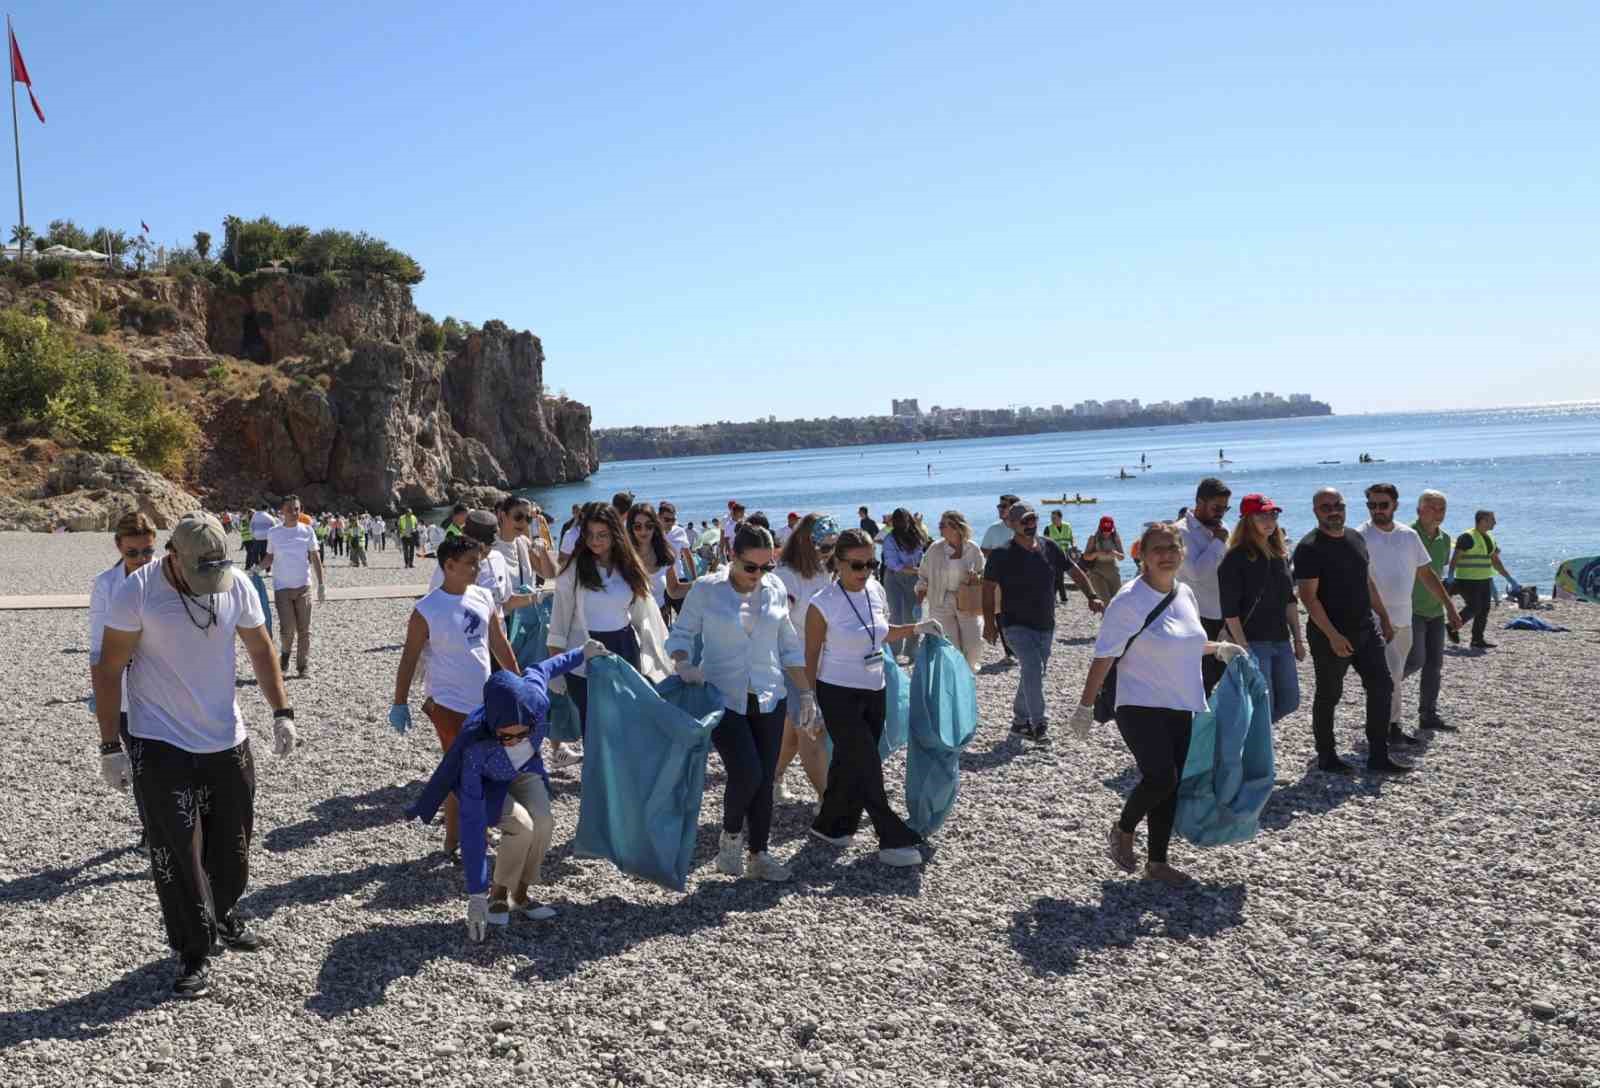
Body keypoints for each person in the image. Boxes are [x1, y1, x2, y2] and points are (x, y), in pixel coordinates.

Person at [92, 512, 295, 998]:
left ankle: (222, 912)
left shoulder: (236, 583)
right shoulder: (136, 592)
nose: (210, 583)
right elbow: (108, 667)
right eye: (198, 572)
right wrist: (109, 746)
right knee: (175, 852)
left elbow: (261, 648)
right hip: (158, 738)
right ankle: (192, 951)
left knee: (234, 845)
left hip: (226, 734)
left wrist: (282, 711)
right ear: (173, 557)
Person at [1069, 521, 1244, 885]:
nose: (1166, 555)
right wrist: (1085, 707)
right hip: (1137, 703)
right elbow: (1104, 657)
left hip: (1180, 700)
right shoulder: (1128, 601)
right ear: (1143, 557)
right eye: (1157, 550)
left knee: (1172, 783)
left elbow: (1186, 642)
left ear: (1182, 552)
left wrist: (1220, 648)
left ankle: (1158, 863)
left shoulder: (1185, 594)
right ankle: (1123, 828)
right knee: (1160, 776)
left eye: (1172, 548)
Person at [408, 648, 605, 938]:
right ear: (492, 726)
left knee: (544, 822)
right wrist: (475, 893)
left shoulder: (534, 698)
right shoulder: (474, 747)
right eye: (505, 736)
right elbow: (473, 824)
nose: (514, 740)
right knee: (520, 827)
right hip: (487, 782)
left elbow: (547, 665)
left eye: (521, 734)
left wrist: (584, 651)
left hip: (525, 770)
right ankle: (497, 896)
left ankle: (521, 895)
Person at [667, 523, 816, 881]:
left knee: (764, 779)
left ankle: (759, 855)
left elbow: (789, 644)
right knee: (746, 772)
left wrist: (807, 692)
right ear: (733, 557)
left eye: (767, 567)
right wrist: (684, 662)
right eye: (752, 567)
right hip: (722, 696)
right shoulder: (706, 590)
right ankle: (731, 838)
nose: (759, 575)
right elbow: (681, 633)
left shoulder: (776, 587)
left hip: (769, 694)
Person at [805, 529, 943, 867]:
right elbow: (809, 655)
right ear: (837, 563)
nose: (865, 571)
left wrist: (916, 628)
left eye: (871, 563)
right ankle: (891, 836)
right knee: (866, 762)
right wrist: (809, 700)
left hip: (875, 690)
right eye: (856, 565)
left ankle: (832, 826)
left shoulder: (875, 590)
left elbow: (881, 633)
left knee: (851, 761)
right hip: (836, 692)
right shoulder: (822, 603)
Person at [391, 535, 520, 855]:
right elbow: (409, 657)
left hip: (483, 701)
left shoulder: (482, 597)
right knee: (468, 770)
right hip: (447, 704)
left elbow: (497, 642)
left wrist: (518, 683)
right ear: (448, 566)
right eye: (470, 563)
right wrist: (400, 701)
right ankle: (471, 837)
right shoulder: (427, 609)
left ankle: (453, 840)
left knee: (462, 770)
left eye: (478, 561)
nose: (478, 568)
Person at [1293, 488, 1411, 775]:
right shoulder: (1309, 548)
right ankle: (1327, 755)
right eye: (1325, 507)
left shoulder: (1355, 538)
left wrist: (1382, 616)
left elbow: (1367, 582)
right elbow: (1309, 598)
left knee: (1382, 686)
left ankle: (1378, 754)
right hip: (1329, 634)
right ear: (1315, 511)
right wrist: (1333, 636)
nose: (1333, 511)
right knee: (1329, 694)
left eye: (1338, 505)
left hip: (1366, 629)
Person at [546, 503, 671, 735]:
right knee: (595, 730)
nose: (595, 541)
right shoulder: (572, 571)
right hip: (585, 656)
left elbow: (644, 617)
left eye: (602, 534)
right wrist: (556, 669)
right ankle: (597, 772)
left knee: (627, 724)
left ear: (615, 534)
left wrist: (662, 655)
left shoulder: (629, 567)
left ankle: (627, 772)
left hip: (624, 652)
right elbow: (558, 625)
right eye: (590, 534)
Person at [984, 502, 1102, 740]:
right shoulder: (1001, 554)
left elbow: (1074, 571)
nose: (1030, 524)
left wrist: (1092, 595)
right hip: (1013, 624)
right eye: (1024, 521)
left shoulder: (1050, 547)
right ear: (1011, 524)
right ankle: (1039, 724)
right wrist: (989, 624)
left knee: (1034, 671)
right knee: (1033, 667)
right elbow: (987, 590)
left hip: (1045, 623)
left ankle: (1019, 720)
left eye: (1033, 519)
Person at [1356, 484, 1461, 746]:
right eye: (1372, 505)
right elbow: (1359, 581)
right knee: (1391, 676)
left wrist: (1449, 606)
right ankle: (1387, 730)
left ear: (1395, 505)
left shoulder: (1408, 536)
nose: (1378, 510)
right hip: (1375, 621)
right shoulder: (1359, 536)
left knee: (1397, 674)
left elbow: (1426, 574)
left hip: (1405, 618)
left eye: (1383, 504)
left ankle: (1391, 725)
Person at [88, 511, 159, 849]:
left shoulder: (168, 576)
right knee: (142, 766)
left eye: (147, 551)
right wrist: (107, 736)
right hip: (128, 692)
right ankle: (153, 831)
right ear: (118, 547)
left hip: (168, 687)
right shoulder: (106, 584)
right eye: (133, 553)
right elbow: (99, 651)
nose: (142, 560)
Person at [1218, 494, 1304, 723]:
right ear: (1247, 520)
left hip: (1281, 639)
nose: (1269, 520)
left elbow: (1289, 600)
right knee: (1263, 705)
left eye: (1272, 515)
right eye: (1261, 515)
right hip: (1253, 642)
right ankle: (1254, 750)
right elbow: (1230, 610)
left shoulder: (1279, 555)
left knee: (1289, 701)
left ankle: (1254, 740)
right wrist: (1244, 647)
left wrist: (1298, 639)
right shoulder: (1235, 559)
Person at [774, 514, 838, 805]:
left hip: (823, 660)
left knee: (792, 733)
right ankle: (829, 802)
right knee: (812, 729)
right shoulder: (786, 576)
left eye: (833, 547)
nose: (830, 553)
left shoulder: (824, 570)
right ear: (805, 542)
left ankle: (772, 779)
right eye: (824, 547)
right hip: (794, 664)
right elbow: (778, 627)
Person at [1404, 490, 1458, 732]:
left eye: (1442, 509)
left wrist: (1447, 607)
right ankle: (1382, 686)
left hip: (1435, 611)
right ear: (1419, 510)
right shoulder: (1406, 536)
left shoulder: (1445, 539)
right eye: (1433, 508)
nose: (1438, 513)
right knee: (1416, 659)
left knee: (1434, 665)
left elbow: (1439, 570)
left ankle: (1428, 715)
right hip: (1410, 609)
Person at [262, 495, 326, 679]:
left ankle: (302, 666)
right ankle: (285, 654)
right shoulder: (274, 533)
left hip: (303, 586)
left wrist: (321, 584)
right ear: (282, 511)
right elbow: (270, 557)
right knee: (287, 629)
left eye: (297, 509)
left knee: (304, 630)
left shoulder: (307, 531)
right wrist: (257, 569)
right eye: (289, 509)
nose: (294, 513)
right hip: (282, 587)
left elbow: (315, 557)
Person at [1178, 478, 1232, 695]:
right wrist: (1218, 542)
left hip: (1224, 613)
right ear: (1199, 501)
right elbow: (1196, 573)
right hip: (1197, 615)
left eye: (1225, 508)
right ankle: (1194, 724)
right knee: (1200, 678)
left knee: (1219, 671)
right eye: (1216, 507)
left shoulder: (1221, 527)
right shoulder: (1181, 532)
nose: (1221, 513)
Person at [916, 510, 986, 670]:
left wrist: (977, 578)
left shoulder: (973, 549)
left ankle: (969, 670)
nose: (939, 528)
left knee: (974, 644)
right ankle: (958, 679)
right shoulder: (935, 549)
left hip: (968, 601)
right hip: (941, 601)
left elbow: (984, 572)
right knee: (950, 646)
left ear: (956, 527)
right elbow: (923, 574)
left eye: (943, 525)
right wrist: (920, 591)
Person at [1449, 510, 1515, 649]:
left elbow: (1495, 561)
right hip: (1467, 580)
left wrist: (1510, 579)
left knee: (1484, 609)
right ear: (1482, 520)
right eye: (1492, 520)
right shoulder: (1467, 537)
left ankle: (1477, 640)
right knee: (1474, 607)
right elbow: (1455, 558)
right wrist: (1450, 574)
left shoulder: (1490, 538)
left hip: (1483, 579)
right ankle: (1451, 626)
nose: (1495, 523)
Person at [879, 508, 927, 663]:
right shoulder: (889, 539)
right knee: (896, 614)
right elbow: (892, 563)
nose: (902, 524)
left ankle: (912, 651)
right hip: (894, 578)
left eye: (904, 520)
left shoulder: (917, 535)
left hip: (913, 577)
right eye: (899, 521)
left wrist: (920, 571)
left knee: (914, 614)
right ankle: (894, 651)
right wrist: (915, 570)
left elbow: (923, 553)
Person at [979, 494, 1023, 661]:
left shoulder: (1022, 527)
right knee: (1000, 614)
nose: (999, 509)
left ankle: (1020, 647)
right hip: (997, 578)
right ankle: (1009, 652)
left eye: (1003, 506)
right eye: (999, 506)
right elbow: (983, 550)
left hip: (1020, 577)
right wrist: (1001, 555)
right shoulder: (993, 529)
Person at [627, 502, 688, 618]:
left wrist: (700, 583)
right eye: (637, 526)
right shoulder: (623, 556)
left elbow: (674, 590)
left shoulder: (665, 554)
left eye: (649, 526)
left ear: (655, 526)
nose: (643, 531)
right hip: (633, 623)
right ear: (631, 528)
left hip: (660, 619)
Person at [493, 496, 558, 593]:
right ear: (503, 516)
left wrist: (543, 551)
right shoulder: (490, 547)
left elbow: (550, 574)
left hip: (527, 606)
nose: (523, 523)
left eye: (528, 519)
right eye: (518, 517)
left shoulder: (524, 543)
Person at [1080, 516, 1125, 604]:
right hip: (1097, 572)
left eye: (1109, 530)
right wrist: (1097, 553)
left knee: (1117, 601)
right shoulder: (1093, 538)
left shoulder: (1116, 538)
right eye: (1104, 530)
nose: (1106, 533)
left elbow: (1122, 557)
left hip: (1113, 572)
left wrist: (1115, 553)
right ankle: (1106, 616)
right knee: (1106, 601)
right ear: (1100, 528)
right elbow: (1085, 557)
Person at [1044, 511, 1075, 603]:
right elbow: (1044, 543)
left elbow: (1071, 538)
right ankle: (1061, 598)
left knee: (1059, 577)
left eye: (1054, 518)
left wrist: (1073, 546)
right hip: (1052, 556)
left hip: (1064, 555)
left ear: (1060, 518)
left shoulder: (1067, 526)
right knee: (1057, 577)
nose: (1052, 520)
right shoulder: (1048, 528)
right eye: (1051, 518)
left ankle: (1058, 598)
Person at [246, 505, 277, 570]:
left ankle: (256, 567)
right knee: (266, 554)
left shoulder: (255, 515)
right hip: (266, 538)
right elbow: (274, 526)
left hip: (256, 537)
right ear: (267, 509)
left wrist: (253, 535)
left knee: (255, 553)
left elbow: (251, 526)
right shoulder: (269, 516)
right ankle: (267, 570)